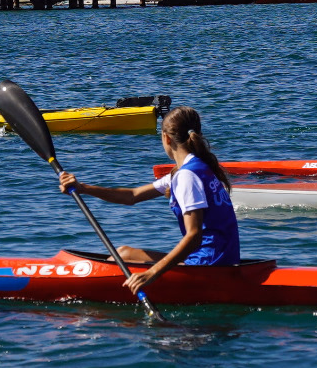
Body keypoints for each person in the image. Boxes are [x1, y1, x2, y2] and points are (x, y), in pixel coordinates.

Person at [57, 106, 240, 295]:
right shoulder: (197, 167)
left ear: (166, 138)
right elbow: (132, 196)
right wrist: (83, 188)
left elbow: (194, 237)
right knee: (123, 254)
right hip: (221, 258)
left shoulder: (187, 176)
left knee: (117, 260)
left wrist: (152, 273)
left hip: (208, 265)